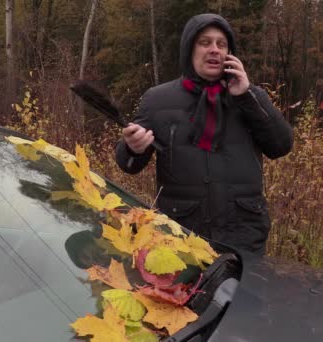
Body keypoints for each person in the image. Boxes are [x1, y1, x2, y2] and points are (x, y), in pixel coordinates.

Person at [115, 13, 293, 255]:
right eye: (204, 42)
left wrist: (246, 95)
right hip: (180, 237)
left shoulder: (251, 97)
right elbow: (128, 164)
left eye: (221, 44)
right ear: (189, 49)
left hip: (243, 238)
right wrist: (133, 148)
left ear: (230, 53)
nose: (214, 50)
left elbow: (281, 146)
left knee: (241, 295)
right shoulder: (157, 99)